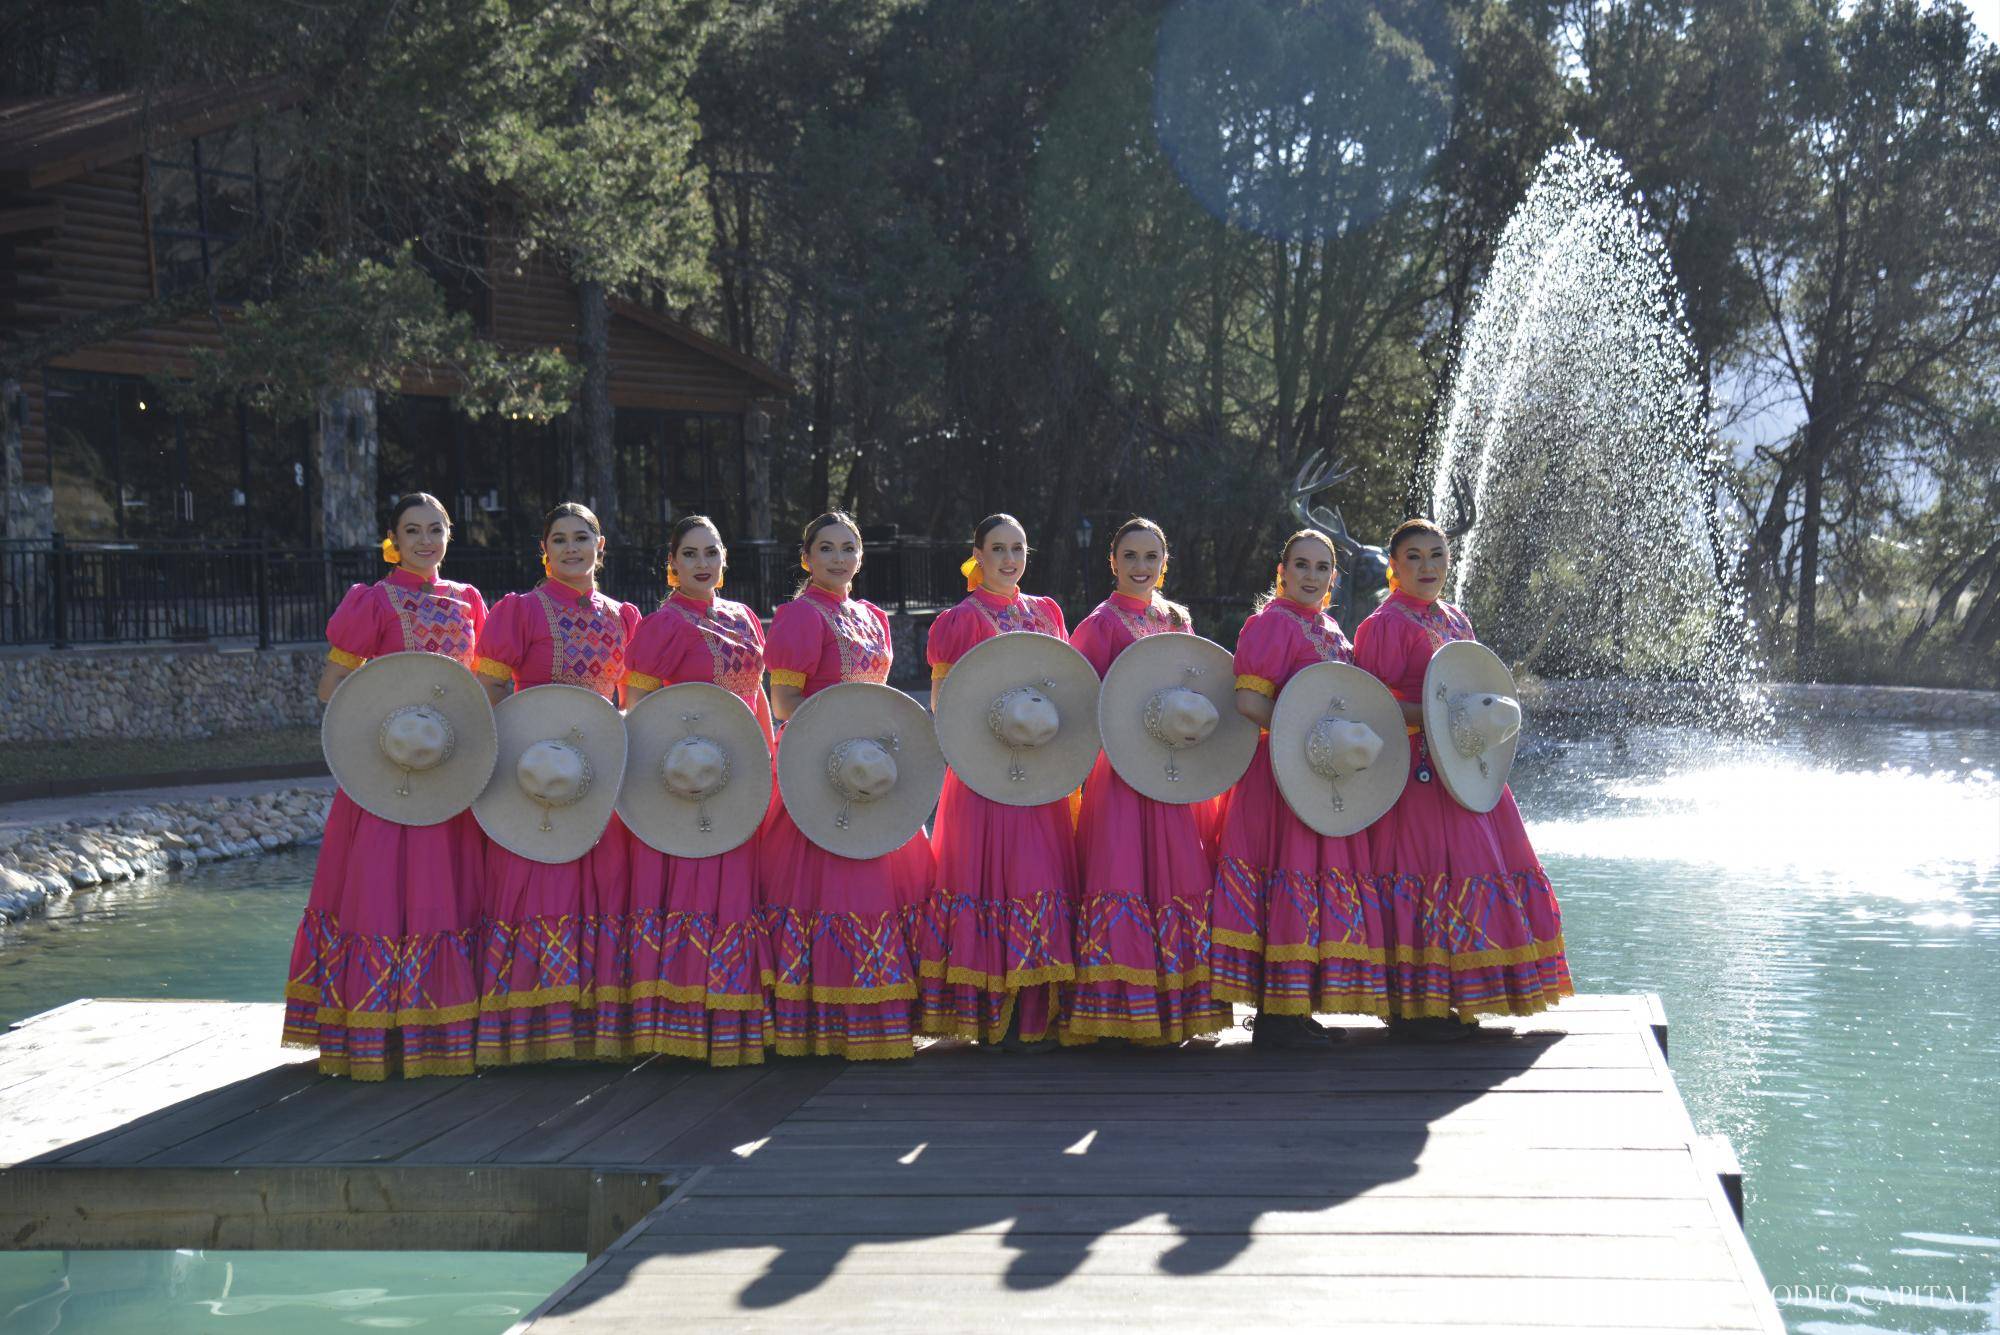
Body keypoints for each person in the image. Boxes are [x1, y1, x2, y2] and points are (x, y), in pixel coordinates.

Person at [282, 492, 488, 1079]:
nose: (425, 541)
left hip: (450, 772)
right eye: (412, 531)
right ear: (393, 540)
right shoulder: (372, 602)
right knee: (382, 892)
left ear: (449, 534)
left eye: (435, 529)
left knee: (443, 891)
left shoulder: (469, 602)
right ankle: (377, 1029)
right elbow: (332, 689)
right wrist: (395, 712)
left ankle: (442, 1028)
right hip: (389, 773)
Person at [1350, 518, 1572, 1035]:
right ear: (1394, 566)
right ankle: (1412, 1005)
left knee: (1474, 869)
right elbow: (1373, 705)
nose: (1427, 567)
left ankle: (1453, 994)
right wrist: (1433, 719)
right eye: (1414, 557)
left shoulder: (1454, 619)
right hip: (1414, 774)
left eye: (1436, 556)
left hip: (1460, 764)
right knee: (1422, 872)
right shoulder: (1385, 625)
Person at [758, 512, 934, 1059]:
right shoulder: (798, 618)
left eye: (848, 548)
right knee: (833, 881)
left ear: (860, 556)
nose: (838, 558)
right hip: (816, 762)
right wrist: (845, 728)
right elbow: (784, 703)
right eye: (826, 549)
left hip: (872, 766)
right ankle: (824, 1019)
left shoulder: (871, 616)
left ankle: (882, 1014)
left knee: (886, 872)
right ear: (806, 557)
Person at [471, 502, 641, 1065]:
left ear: (600, 545)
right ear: (544, 550)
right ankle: (529, 1033)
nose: (572, 548)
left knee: (605, 887)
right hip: (536, 778)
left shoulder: (624, 617)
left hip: (599, 778)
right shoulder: (518, 612)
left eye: (582, 537)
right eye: (560, 539)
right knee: (539, 889)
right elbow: (489, 699)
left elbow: (634, 703)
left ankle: (595, 1031)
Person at [1212, 529, 1391, 1047]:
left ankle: (1294, 1009)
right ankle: (1276, 1016)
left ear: (1333, 578)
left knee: (1313, 878)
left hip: (1318, 774)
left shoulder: (1331, 628)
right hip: (1280, 775)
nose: (1311, 576)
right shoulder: (1270, 625)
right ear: (1282, 573)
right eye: (1302, 566)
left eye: (1321, 568)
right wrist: (1302, 737)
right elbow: (1248, 703)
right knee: (1287, 878)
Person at [915, 513, 1081, 1048]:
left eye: (1018, 548)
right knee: (990, 876)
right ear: (978, 556)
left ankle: (1037, 1008)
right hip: (982, 769)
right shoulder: (960, 621)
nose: (1010, 559)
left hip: (1043, 768)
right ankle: (994, 1013)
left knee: (1038, 875)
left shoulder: (1046, 611)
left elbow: (1067, 691)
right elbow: (945, 706)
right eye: (999, 549)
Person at [1061, 518, 1230, 1045]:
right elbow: (1080, 701)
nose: (1141, 567)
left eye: (1151, 557)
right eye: (1130, 556)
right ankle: (1118, 1013)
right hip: (1122, 772)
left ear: (1165, 562)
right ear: (1112, 562)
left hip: (1173, 769)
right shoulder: (1098, 625)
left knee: (1177, 872)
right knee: (1123, 873)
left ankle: (1176, 1007)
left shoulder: (1176, 618)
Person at [614, 515, 775, 1066]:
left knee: (737, 892)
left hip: (741, 774)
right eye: (690, 554)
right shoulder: (660, 626)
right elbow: (636, 710)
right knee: (693, 887)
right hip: (685, 779)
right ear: (673, 564)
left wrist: (766, 762)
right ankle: (681, 1029)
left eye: (711, 552)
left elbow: (756, 700)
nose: (702, 563)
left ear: (724, 559)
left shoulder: (744, 617)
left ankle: (732, 1024)